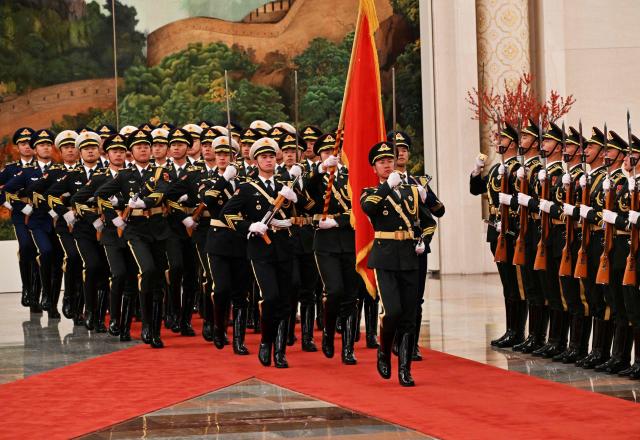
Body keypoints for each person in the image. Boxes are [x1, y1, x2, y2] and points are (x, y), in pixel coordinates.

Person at [220, 137, 305, 368]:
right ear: (255, 161)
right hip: (261, 250)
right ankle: (266, 342)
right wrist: (249, 226)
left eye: (271, 157)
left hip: (285, 247)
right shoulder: (247, 188)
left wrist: (296, 198)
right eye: (263, 157)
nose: (268, 160)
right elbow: (227, 214)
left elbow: (308, 208)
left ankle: (280, 350)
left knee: (287, 301)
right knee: (271, 297)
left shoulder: (284, 185)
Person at [361, 141, 434, 387]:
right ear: (374, 168)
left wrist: (424, 239)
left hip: (409, 256)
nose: (386, 164)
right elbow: (369, 207)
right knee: (392, 311)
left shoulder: (412, 191)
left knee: (409, 316)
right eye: (381, 162)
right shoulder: (370, 192)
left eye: (389, 160)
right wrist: (387, 187)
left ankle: (405, 368)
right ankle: (384, 351)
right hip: (385, 257)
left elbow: (428, 221)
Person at [95, 129, 171, 348]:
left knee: (157, 280)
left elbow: (163, 192)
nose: (144, 150)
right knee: (146, 270)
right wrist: (115, 213)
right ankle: (146, 323)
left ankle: (154, 330)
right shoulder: (125, 175)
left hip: (157, 229)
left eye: (147, 147)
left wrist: (144, 203)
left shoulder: (160, 172)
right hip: (135, 231)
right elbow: (101, 194)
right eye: (139, 147)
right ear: (132, 152)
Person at [71, 133, 138, 341]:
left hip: (133, 231)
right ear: (107, 154)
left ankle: (124, 324)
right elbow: (78, 199)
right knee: (115, 274)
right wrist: (97, 218)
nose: (118, 154)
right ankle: (109, 317)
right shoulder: (100, 177)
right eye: (114, 151)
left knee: (130, 277)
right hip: (109, 232)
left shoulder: (134, 175)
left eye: (121, 151)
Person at [389, 130, 444, 360]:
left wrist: (426, 198)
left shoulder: (419, 182)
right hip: (392, 248)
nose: (401, 153)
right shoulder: (384, 183)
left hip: (416, 247)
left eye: (404, 149)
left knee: (416, 298)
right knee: (395, 298)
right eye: (396, 149)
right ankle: (394, 339)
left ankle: (411, 343)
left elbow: (439, 210)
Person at [469, 123, 522, 347]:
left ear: (512, 143)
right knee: (506, 283)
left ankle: (517, 331)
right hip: (495, 228)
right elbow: (476, 189)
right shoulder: (496, 168)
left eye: (502, 139)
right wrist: (476, 171)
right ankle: (511, 329)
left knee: (514, 282)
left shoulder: (517, 168)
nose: (498, 142)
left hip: (510, 229)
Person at [308, 133, 359, 364]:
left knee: (351, 295)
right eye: (326, 152)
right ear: (319, 156)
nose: (331, 156)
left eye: (334, 152)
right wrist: (319, 171)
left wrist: (339, 220)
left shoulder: (350, 177)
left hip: (349, 240)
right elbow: (304, 193)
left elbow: (359, 208)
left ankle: (348, 347)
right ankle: (328, 332)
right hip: (325, 243)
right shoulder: (316, 178)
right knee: (335, 290)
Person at [1, 127, 39, 311]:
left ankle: (39, 291)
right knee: (25, 246)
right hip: (19, 213)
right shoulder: (10, 169)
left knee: (40, 251)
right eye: (23, 143)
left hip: (40, 213)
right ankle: (27, 288)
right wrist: (12, 205)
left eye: (30, 143)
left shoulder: (42, 166)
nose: (27, 147)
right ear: (17, 147)